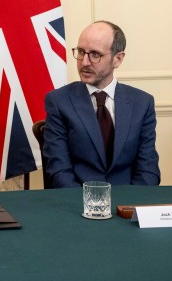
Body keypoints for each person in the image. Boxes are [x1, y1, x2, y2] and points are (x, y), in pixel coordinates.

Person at [42, 21, 160, 187]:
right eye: (81, 52)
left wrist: (130, 206)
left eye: (95, 54)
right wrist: (92, 206)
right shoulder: (59, 101)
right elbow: (59, 172)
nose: (84, 62)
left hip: (129, 204)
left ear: (117, 59)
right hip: (78, 205)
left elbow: (147, 170)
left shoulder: (142, 103)